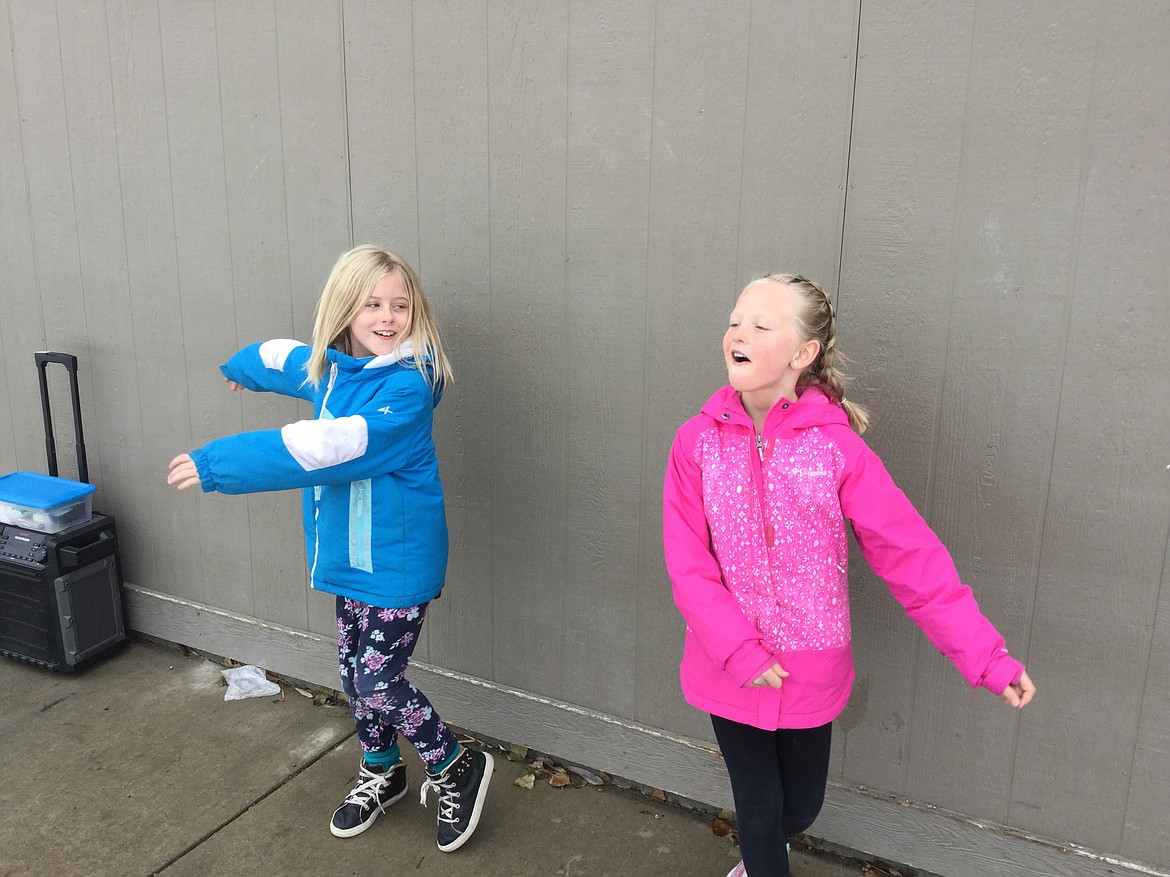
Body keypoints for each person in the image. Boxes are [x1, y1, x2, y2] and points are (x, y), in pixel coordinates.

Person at [661, 274, 1036, 877]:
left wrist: (988, 659)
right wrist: (738, 651)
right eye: (734, 321)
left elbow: (911, 556)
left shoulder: (838, 451)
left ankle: (771, 849)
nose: (738, 333)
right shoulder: (696, 443)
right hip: (726, 663)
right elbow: (687, 562)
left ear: (804, 352)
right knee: (757, 806)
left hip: (812, 667)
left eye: (761, 324)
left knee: (800, 806)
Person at [166, 245, 493, 853]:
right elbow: (288, 359)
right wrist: (239, 366)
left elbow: (325, 445)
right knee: (352, 675)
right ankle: (382, 769)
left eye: (401, 304)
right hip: (348, 560)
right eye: (372, 304)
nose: (388, 316)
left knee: (378, 681)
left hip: (397, 565)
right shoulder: (342, 370)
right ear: (346, 310)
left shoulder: (407, 392)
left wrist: (217, 464)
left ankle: (453, 764)